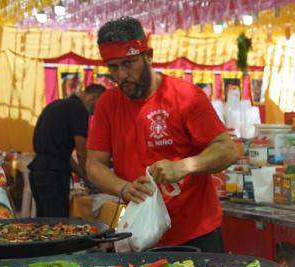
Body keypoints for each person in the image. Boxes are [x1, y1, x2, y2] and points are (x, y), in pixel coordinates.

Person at [86, 17, 238, 252]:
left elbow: (227, 150)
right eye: (113, 67)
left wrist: (184, 166)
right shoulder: (108, 103)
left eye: (129, 63)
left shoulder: (185, 96)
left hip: (195, 232)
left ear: (148, 56)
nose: (122, 75)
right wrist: (123, 188)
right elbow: (94, 164)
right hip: (142, 233)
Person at [29, 84, 105, 217]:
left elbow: (64, 155)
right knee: (58, 223)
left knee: (44, 222)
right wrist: (93, 177)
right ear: (94, 97)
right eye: (101, 105)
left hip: (38, 171)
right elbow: (81, 152)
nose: (96, 112)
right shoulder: (79, 110)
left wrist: (84, 176)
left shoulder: (58, 104)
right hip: (54, 175)